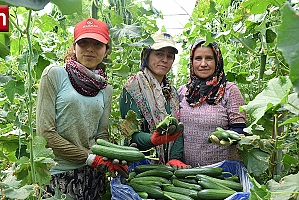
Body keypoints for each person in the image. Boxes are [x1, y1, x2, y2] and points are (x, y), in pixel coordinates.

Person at [36, 18, 128, 200]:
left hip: (93, 175)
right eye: (83, 42)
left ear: (106, 50)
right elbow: (45, 133)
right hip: (58, 175)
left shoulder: (105, 88)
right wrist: (88, 157)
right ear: (74, 46)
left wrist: (116, 154)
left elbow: (101, 135)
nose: (90, 48)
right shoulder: (54, 74)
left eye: (97, 44)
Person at [119, 32, 188, 169]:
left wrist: (174, 158)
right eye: (159, 54)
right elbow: (130, 133)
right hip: (140, 165)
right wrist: (152, 140)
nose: (165, 60)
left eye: (169, 56)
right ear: (147, 55)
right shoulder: (132, 89)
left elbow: (178, 130)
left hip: (166, 169)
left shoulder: (172, 93)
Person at [178, 38, 247, 167]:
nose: (203, 63)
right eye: (198, 58)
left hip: (223, 173)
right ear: (192, 62)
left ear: (217, 61)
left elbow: (240, 130)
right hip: (187, 172)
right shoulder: (183, 92)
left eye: (209, 58)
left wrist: (227, 138)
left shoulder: (230, 91)